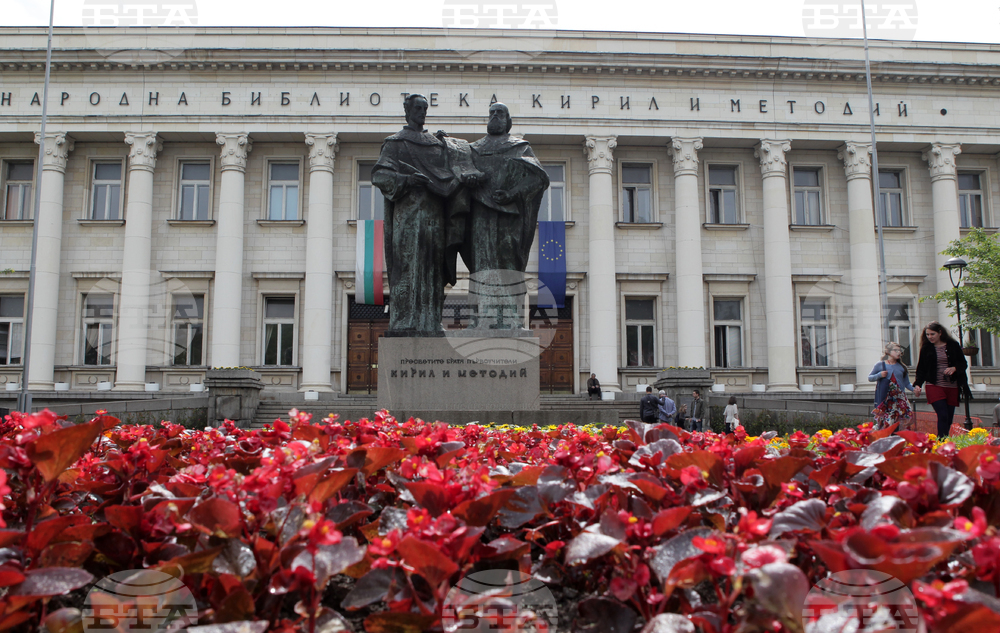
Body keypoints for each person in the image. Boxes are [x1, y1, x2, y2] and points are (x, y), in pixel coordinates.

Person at [371, 94, 482, 334]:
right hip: (408, 216)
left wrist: (449, 147)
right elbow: (380, 175)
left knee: (433, 269)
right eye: (417, 108)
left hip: (434, 217)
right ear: (406, 110)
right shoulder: (395, 143)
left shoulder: (435, 143)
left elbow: (452, 169)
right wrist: (407, 180)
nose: (421, 112)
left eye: (424, 108)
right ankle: (405, 322)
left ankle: (431, 322)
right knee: (408, 268)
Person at [463, 103, 549, 328]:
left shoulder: (520, 148)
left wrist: (512, 193)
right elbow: (460, 174)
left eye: (499, 113)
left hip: (509, 217)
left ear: (508, 121)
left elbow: (538, 179)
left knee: (509, 265)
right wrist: (469, 180)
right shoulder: (473, 149)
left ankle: (510, 320)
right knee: (482, 265)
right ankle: (481, 319)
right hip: (480, 216)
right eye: (491, 113)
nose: (494, 116)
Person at [913, 321, 971, 438]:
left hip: (952, 386)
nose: (930, 337)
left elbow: (963, 364)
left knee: (949, 417)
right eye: (927, 334)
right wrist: (917, 384)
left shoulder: (953, 345)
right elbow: (921, 369)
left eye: (932, 334)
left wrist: (954, 368)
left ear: (940, 333)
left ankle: (944, 441)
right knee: (942, 415)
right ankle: (941, 442)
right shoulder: (926, 348)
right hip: (934, 385)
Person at [868, 342, 920, 430]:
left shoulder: (902, 367)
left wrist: (914, 389)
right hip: (886, 400)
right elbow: (870, 378)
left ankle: (901, 439)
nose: (899, 352)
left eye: (900, 351)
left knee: (902, 422)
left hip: (900, 400)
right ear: (888, 351)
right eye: (896, 350)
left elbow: (906, 383)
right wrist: (880, 375)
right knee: (887, 423)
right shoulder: (880, 365)